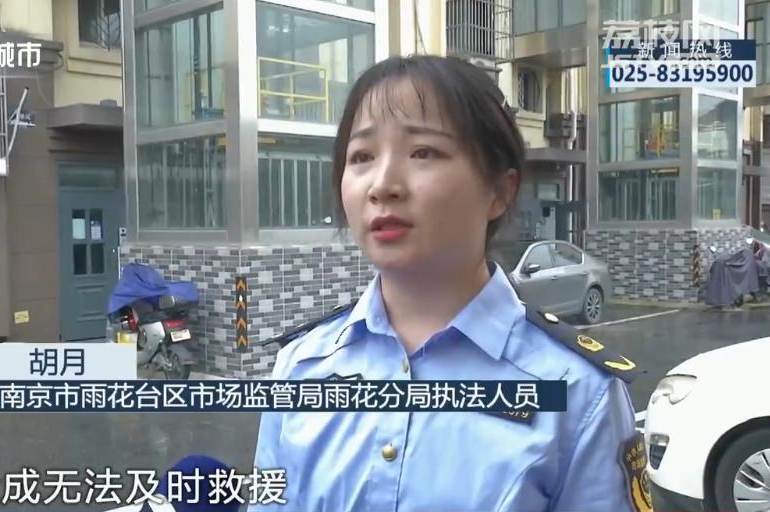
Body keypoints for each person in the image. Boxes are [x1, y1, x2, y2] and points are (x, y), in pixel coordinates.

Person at [251, 55, 650, 512]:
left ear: (499, 191)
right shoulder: (302, 366)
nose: (382, 185)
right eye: (361, 157)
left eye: (423, 152)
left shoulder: (579, 392)